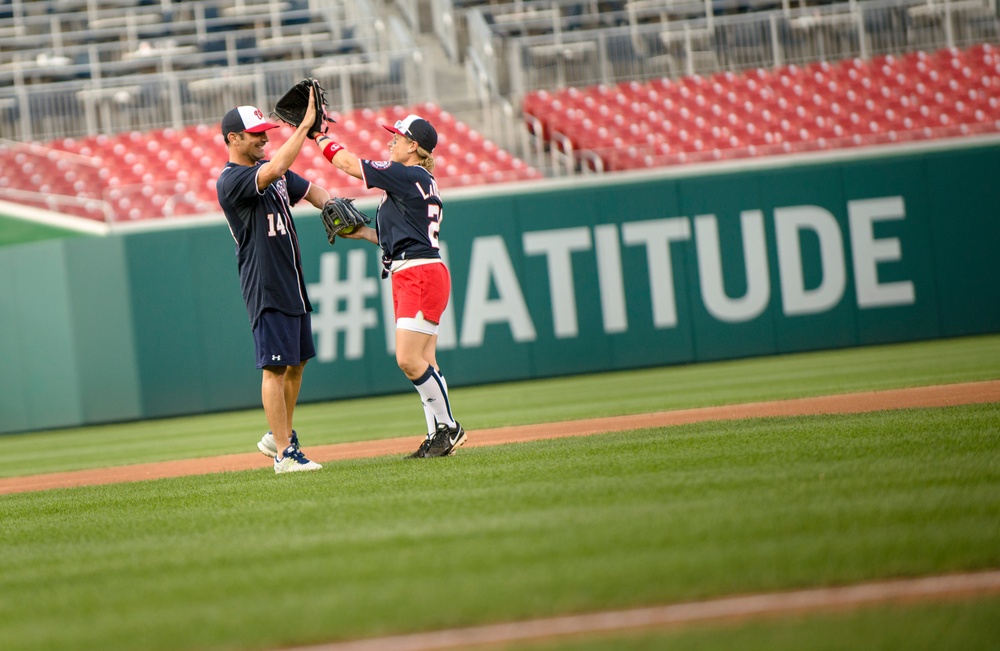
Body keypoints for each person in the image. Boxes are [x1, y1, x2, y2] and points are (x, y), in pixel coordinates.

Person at [310, 114, 466, 458]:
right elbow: (400, 235)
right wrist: (365, 234)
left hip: (420, 273)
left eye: (397, 137)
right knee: (425, 360)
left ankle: (449, 427)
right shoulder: (418, 179)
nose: (391, 142)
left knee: (409, 359)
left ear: (414, 146)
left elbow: (349, 163)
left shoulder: (406, 174)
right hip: (415, 269)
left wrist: (319, 137)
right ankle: (437, 436)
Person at [216, 93, 330, 473]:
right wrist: (303, 127)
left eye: (265, 133)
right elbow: (278, 166)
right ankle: (283, 453)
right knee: (274, 369)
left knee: (296, 364)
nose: (263, 140)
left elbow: (312, 190)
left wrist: (332, 206)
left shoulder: (271, 169)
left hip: (292, 282)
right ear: (233, 139)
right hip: (264, 284)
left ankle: (278, 435)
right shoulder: (232, 180)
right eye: (255, 135)